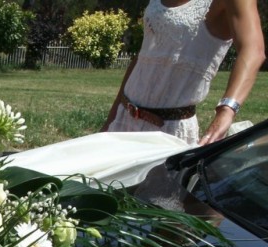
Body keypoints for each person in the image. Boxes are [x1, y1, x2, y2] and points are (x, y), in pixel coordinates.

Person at [102, 0, 264, 146]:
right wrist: (112, 118)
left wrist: (227, 109)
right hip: (124, 117)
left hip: (168, 130)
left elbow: (253, 50)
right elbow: (144, 56)